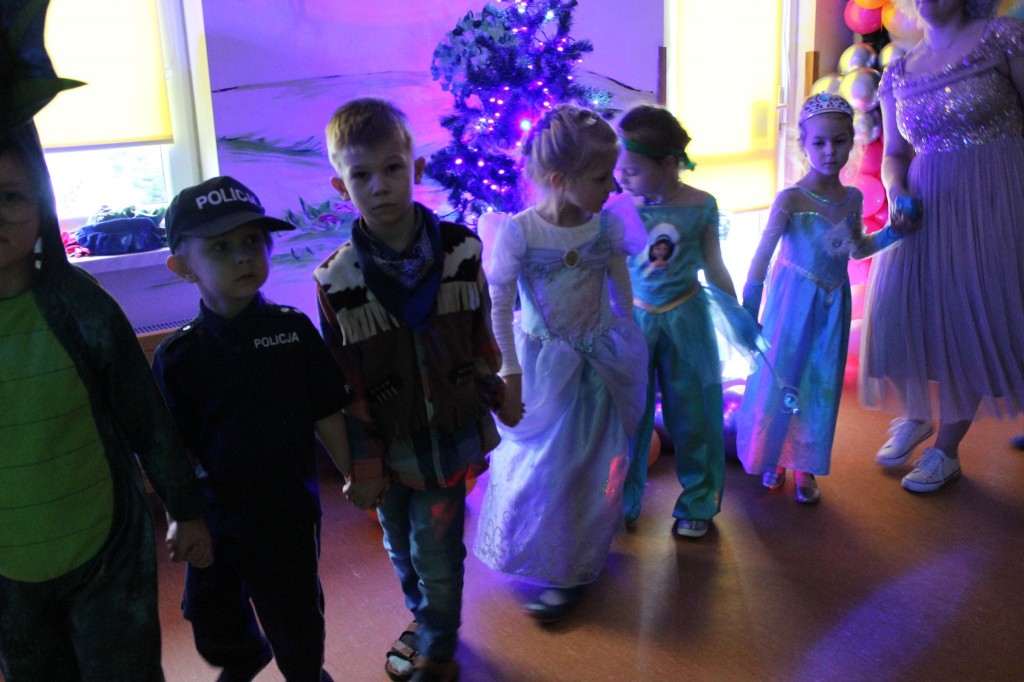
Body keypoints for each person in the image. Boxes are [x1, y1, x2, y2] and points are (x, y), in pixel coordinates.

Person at [0, 75, 212, 682]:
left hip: (104, 555)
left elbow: (145, 415)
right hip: (11, 573)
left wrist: (185, 508)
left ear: (40, 201)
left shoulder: (80, 306)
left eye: (11, 197)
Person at [314, 98, 503, 682]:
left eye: (393, 168)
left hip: (447, 433)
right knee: (399, 543)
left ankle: (439, 647)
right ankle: (425, 620)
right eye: (361, 174)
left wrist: (493, 392)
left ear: (415, 168)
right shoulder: (337, 280)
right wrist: (361, 463)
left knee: (438, 550)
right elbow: (343, 381)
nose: (380, 185)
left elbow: (481, 335)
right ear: (341, 186)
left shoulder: (460, 252)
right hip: (385, 441)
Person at [153, 176, 358, 682]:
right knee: (210, 615)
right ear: (183, 267)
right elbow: (172, 449)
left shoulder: (293, 331)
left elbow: (326, 410)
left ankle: (306, 674)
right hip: (215, 517)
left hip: (287, 513)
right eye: (220, 247)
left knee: (295, 615)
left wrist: (355, 472)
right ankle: (245, 656)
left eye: (252, 241)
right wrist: (181, 515)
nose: (243, 256)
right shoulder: (179, 356)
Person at [473, 104, 648, 622]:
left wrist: (627, 345)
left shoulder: (605, 227)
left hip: (598, 365)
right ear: (559, 179)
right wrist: (510, 371)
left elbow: (621, 293)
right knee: (545, 469)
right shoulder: (520, 232)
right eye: (601, 177)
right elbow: (499, 306)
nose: (612, 187)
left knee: (590, 463)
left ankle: (574, 563)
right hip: (544, 371)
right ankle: (545, 555)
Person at [860, 1, 1024, 492]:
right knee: (901, 311)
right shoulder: (898, 69)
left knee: (973, 315)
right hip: (924, 203)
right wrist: (895, 192)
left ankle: (946, 450)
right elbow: (894, 154)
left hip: (996, 198)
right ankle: (916, 416)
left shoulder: (1002, 37)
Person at [735, 93, 906, 504]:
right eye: (820, 142)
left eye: (840, 141)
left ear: (851, 142)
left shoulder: (853, 199)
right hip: (790, 306)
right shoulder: (791, 199)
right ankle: (773, 455)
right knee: (784, 378)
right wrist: (747, 312)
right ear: (804, 145)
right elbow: (761, 258)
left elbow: (857, 249)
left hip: (832, 304)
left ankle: (806, 465)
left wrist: (895, 231)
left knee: (821, 383)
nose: (830, 151)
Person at [615, 104, 737, 537]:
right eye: (618, 169)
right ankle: (620, 502)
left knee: (693, 414)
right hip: (634, 319)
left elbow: (714, 265)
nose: (621, 177)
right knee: (628, 415)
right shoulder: (619, 207)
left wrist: (737, 313)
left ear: (668, 163)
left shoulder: (701, 205)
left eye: (632, 170)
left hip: (687, 321)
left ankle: (698, 501)